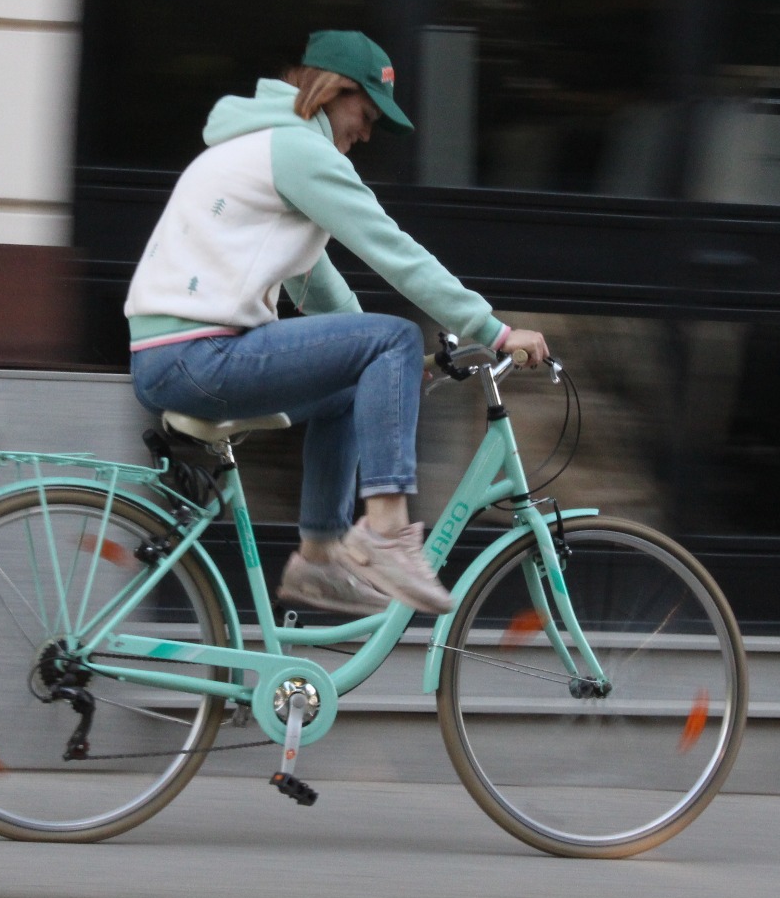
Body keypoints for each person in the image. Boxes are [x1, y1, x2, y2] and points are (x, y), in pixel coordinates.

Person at [126, 30, 549, 616]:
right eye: (365, 112)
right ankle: (384, 534)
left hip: (175, 357)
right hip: (198, 355)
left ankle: (319, 559)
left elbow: (319, 289)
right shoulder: (299, 151)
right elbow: (394, 251)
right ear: (330, 90)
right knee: (395, 334)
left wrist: (389, 377)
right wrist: (494, 331)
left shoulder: (264, 149)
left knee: (362, 372)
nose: (368, 132)